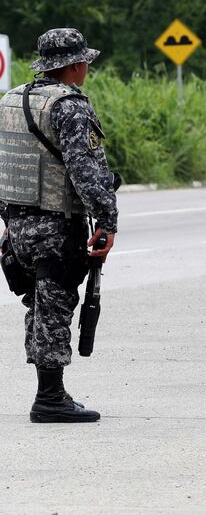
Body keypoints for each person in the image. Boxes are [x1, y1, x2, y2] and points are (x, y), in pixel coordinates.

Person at [0, 28, 118, 423]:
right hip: (54, 225)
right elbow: (88, 172)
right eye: (85, 61)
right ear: (75, 65)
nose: (87, 67)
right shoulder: (70, 107)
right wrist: (106, 220)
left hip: (16, 226)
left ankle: (52, 391)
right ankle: (49, 399)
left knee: (39, 304)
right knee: (54, 307)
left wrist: (7, 221)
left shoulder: (11, 99)